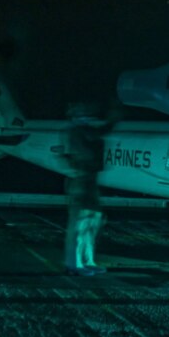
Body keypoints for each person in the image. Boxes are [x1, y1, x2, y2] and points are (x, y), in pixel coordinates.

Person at [63, 102, 110, 276]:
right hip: (82, 181)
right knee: (81, 225)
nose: (87, 117)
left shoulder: (84, 132)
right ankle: (74, 264)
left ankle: (87, 260)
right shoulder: (77, 132)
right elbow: (89, 153)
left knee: (91, 224)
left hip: (88, 181)